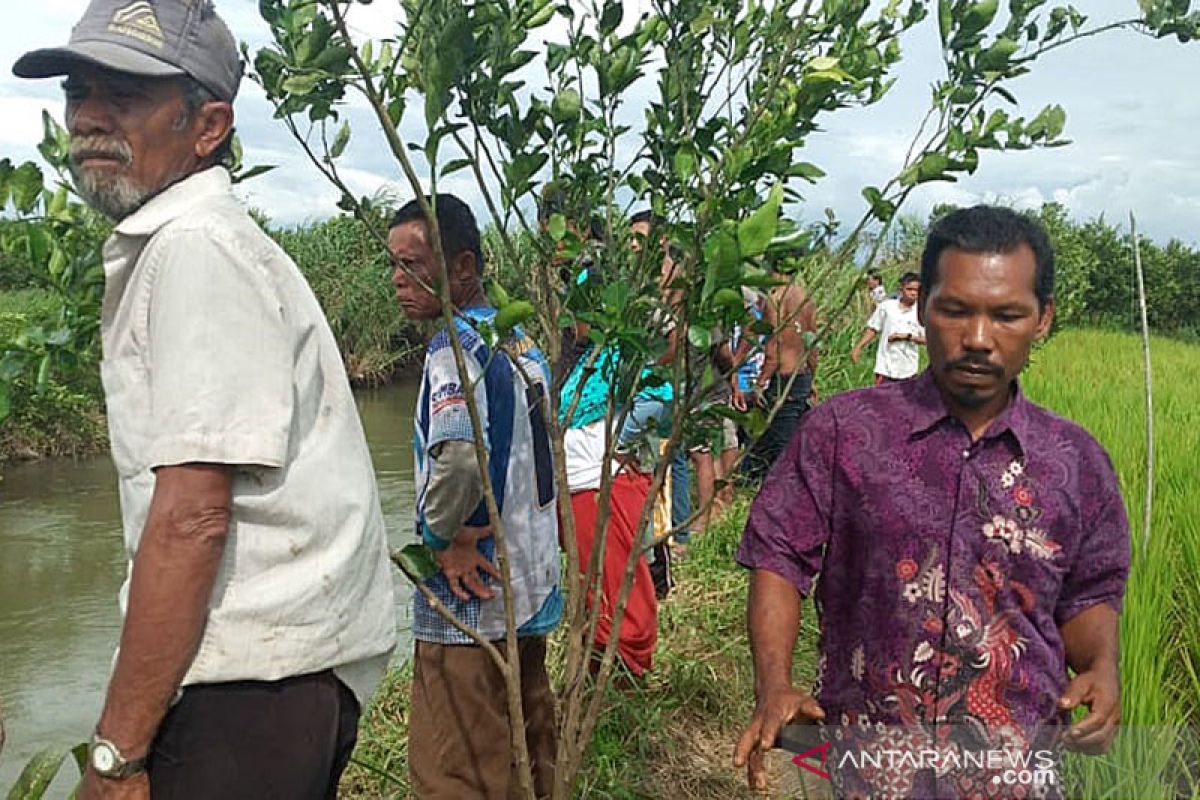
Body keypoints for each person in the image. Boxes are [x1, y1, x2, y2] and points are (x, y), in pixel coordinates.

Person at [13, 2, 398, 797]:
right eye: (77, 93)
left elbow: (191, 517)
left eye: (121, 96)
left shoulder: (194, 251)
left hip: (249, 692)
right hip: (281, 684)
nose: (86, 118)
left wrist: (116, 757)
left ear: (208, 124)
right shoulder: (198, 243)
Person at [733, 206, 1130, 797]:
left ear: (1042, 319)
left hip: (1016, 771)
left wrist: (1101, 668)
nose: (977, 338)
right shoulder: (844, 431)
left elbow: (1088, 595)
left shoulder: (1076, 462)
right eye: (956, 310)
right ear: (921, 308)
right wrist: (775, 685)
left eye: (1007, 316)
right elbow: (779, 557)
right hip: (870, 766)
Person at [389, 194, 561, 799]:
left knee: (454, 769)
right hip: (528, 594)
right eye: (392, 266)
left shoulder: (452, 351)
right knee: (528, 751)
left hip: (472, 606)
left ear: (462, 268)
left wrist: (441, 538)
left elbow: (461, 457)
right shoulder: (521, 344)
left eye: (411, 266)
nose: (397, 282)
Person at [738, 270, 818, 482]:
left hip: (782, 376)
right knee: (786, 436)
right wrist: (812, 377)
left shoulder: (775, 299)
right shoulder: (805, 297)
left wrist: (761, 382)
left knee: (779, 440)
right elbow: (812, 341)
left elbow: (774, 347)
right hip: (801, 375)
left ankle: (782, 489)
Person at [851, 271, 925, 383]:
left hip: (908, 369)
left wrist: (906, 337)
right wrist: (859, 346)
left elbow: (927, 339)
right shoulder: (887, 307)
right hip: (885, 367)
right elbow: (873, 328)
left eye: (916, 290)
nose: (913, 293)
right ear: (901, 288)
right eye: (909, 289)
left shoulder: (921, 312)